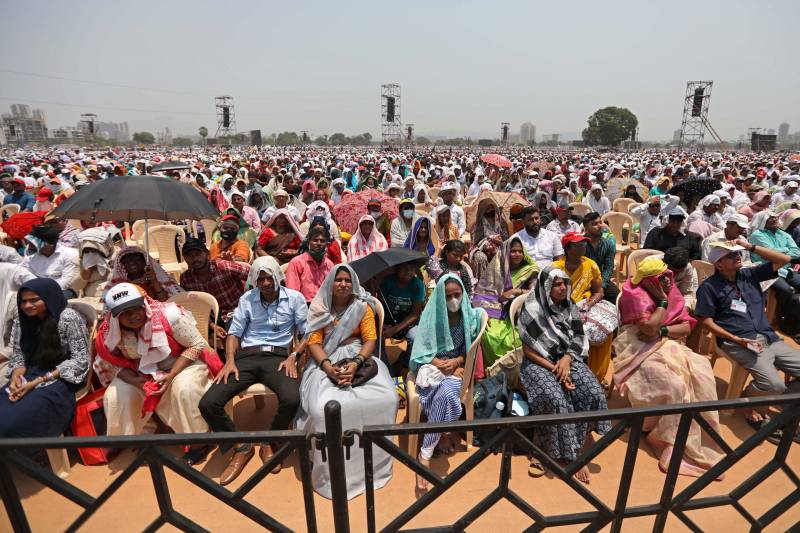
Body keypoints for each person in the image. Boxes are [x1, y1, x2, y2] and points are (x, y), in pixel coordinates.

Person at [198, 257, 307, 484]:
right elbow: (234, 333)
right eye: (260, 279)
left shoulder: (295, 299)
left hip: (278, 357)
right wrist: (229, 360)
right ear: (254, 282)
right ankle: (241, 446)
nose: (266, 283)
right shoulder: (247, 299)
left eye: (269, 278)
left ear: (278, 276)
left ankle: (269, 440)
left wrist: (293, 356)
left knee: (292, 398)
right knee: (208, 403)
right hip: (246, 357)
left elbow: (308, 334)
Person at [614, 256, 723, 475]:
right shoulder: (633, 295)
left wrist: (662, 330)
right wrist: (662, 303)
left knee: (702, 373)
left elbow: (684, 328)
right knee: (673, 384)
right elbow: (647, 329)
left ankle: (695, 438)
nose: (668, 280)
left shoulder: (671, 290)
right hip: (636, 347)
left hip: (668, 343)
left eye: (668, 275)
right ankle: (659, 434)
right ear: (648, 281)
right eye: (661, 277)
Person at [296, 265, 397, 499]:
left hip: (359, 356)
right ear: (331, 283)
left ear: (353, 284)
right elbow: (314, 344)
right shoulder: (320, 308)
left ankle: (374, 466)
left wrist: (356, 363)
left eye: (347, 280)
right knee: (322, 409)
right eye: (338, 280)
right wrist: (329, 369)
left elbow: (370, 340)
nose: (343, 284)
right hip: (325, 360)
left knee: (388, 398)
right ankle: (331, 473)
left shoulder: (362, 307)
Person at [94, 283, 223, 462]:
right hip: (140, 373)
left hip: (183, 363)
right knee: (116, 395)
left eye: (136, 309)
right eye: (126, 314)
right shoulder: (109, 332)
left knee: (184, 389)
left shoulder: (169, 315)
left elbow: (197, 345)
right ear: (116, 316)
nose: (133, 316)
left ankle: (199, 442)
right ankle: (145, 439)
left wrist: (170, 376)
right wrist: (136, 381)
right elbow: (110, 363)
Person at [695, 241, 800, 436]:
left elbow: (784, 259)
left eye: (738, 254)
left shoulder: (749, 275)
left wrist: (750, 246)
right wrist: (736, 339)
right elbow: (706, 322)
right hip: (739, 341)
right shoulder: (709, 288)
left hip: (768, 337)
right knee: (773, 384)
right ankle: (748, 402)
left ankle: (781, 399)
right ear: (718, 264)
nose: (738, 257)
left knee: (779, 385)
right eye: (731, 256)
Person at [517, 267, 610, 483]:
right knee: (554, 397)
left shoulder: (570, 306)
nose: (562, 287)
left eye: (564, 283)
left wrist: (567, 360)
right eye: (557, 284)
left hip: (568, 359)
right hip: (538, 363)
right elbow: (528, 350)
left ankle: (580, 440)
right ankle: (548, 451)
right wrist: (555, 369)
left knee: (593, 390)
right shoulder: (532, 308)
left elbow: (578, 336)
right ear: (546, 286)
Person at [410, 274, 485, 490]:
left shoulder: (467, 317)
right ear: (440, 297)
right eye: (448, 296)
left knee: (446, 393)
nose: (453, 300)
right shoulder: (431, 315)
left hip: (456, 369)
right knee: (441, 393)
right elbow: (421, 349)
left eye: (457, 295)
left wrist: (458, 361)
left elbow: (468, 349)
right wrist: (436, 361)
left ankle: (425, 453)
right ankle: (442, 434)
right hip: (432, 366)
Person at [0, 278, 89, 438]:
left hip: (60, 377)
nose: (27, 305)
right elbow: (19, 354)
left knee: (12, 422)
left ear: (49, 297)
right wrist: (16, 377)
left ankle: (25, 458)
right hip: (30, 374)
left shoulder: (68, 318)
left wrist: (36, 383)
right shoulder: (23, 319)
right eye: (23, 301)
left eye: (34, 300)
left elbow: (79, 360)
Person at [551, 233, 611, 383]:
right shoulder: (555, 268)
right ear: (568, 248)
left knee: (603, 329)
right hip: (560, 308)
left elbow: (599, 292)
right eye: (578, 245)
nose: (583, 247)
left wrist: (588, 305)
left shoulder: (591, 265)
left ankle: (596, 373)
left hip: (583, 306)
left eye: (584, 244)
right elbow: (548, 295)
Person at [473, 237, 538, 367]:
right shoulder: (497, 267)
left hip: (518, 313)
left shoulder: (529, 270)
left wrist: (515, 291)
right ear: (506, 252)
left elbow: (535, 292)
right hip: (495, 309)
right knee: (488, 334)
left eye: (520, 251)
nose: (517, 254)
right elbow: (484, 292)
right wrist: (482, 313)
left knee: (515, 339)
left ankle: (515, 367)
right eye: (513, 251)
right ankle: (494, 370)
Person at [179, 237, 250, 329]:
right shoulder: (186, 279)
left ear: (207, 254)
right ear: (185, 259)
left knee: (233, 332)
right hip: (208, 316)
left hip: (233, 311)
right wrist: (212, 325)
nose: (195, 258)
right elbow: (192, 306)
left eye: (198, 254)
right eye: (190, 256)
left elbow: (254, 274)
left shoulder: (224, 266)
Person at [748, 211, 800, 332]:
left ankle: (792, 317)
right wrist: (786, 250)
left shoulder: (783, 234)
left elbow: (797, 252)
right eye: (770, 218)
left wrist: (778, 253)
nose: (775, 219)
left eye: (775, 217)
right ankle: (785, 320)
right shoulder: (757, 235)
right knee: (786, 290)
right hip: (766, 270)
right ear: (763, 221)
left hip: (786, 269)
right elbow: (771, 255)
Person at [379, 261, 425, 374]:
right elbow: (380, 306)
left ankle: (402, 363)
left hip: (409, 323)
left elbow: (415, 314)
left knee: (415, 338)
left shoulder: (418, 285)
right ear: (396, 269)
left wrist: (394, 329)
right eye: (405, 268)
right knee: (375, 338)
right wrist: (383, 325)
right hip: (389, 320)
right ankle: (381, 366)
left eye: (412, 268)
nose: (409, 272)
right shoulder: (387, 282)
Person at [22, 224, 80, 296]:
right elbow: (25, 275)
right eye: (29, 242)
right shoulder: (31, 257)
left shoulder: (70, 254)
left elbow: (66, 282)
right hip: (37, 290)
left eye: (33, 243)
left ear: (50, 244)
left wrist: (44, 291)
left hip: (63, 291)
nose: (29, 245)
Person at [107, 245, 182, 301]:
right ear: (122, 266)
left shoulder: (156, 277)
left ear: (145, 262)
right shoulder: (119, 285)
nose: (132, 263)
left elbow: (166, 301)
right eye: (127, 261)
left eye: (137, 259)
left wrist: (155, 282)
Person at [285, 225, 335, 303]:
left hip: (324, 306)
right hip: (303, 306)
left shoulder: (330, 265)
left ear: (326, 244)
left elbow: (332, 291)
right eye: (315, 240)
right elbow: (292, 293)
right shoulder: (296, 262)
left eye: (322, 241)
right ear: (308, 242)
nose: (319, 243)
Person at [583, 212, 619, 303]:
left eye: (600, 222)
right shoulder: (580, 244)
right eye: (595, 224)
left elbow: (609, 267)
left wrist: (601, 286)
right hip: (582, 280)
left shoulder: (608, 243)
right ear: (586, 228)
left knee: (619, 297)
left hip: (600, 279)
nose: (600, 226)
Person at [78, 227, 115, 297]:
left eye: (94, 251)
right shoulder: (81, 259)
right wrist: (88, 269)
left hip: (112, 291)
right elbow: (80, 284)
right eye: (87, 251)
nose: (91, 254)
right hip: (91, 295)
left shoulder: (116, 256)